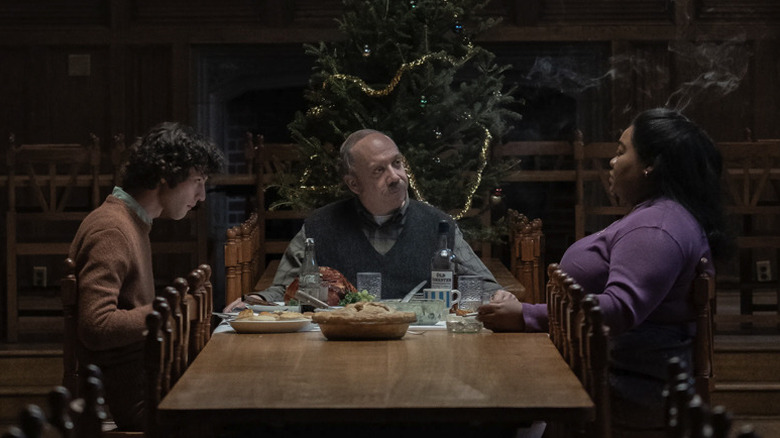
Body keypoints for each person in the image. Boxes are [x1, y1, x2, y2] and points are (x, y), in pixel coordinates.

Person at [477, 108, 729, 437]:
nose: (612, 162)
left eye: (622, 152)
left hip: (624, 393)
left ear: (651, 165)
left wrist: (525, 314)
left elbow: (618, 309)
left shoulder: (656, 226)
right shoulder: (657, 216)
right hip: (609, 379)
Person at [225, 128, 511, 310]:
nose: (396, 176)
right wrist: (257, 301)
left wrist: (500, 297)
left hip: (423, 349)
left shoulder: (439, 225)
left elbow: (482, 284)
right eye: (379, 170)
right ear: (353, 184)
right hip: (341, 353)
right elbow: (284, 290)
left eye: (397, 163)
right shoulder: (320, 226)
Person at [68, 122, 224, 431]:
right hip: (133, 403)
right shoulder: (112, 229)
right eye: (197, 181)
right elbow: (95, 326)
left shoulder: (131, 223)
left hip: (147, 385)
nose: (202, 195)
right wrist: (170, 310)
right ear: (166, 176)